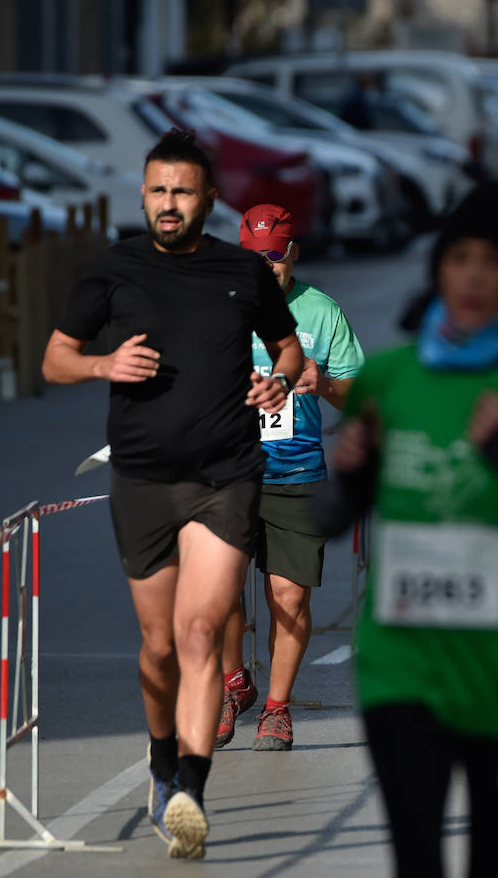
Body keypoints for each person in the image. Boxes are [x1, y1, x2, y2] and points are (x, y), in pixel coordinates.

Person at [314, 185, 498, 877]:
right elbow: (330, 522)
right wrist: (355, 481)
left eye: (491, 261)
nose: (474, 275)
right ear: (438, 271)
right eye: (459, 259)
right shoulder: (387, 380)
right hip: (405, 675)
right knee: (417, 864)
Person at [41, 128, 302, 859]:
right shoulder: (114, 268)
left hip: (226, 475)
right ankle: (163, 759)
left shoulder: (242, 273)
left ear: (208, 200)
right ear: (144, 194)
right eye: (157, 189)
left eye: (182, 191)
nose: (168, 203)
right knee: (157, 646)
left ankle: (189, 786)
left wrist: (277, 378)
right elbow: (55, 359)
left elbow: (288, 347)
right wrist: (103, 365)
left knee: (199, 634)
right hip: (143, 479)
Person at [214, 204, 364, 753]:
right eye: (255, 257)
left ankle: (277, 709)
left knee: (288, 598)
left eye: (275, 255)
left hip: (296, 475)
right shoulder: (220, 306)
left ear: (293, 254)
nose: (266, 265)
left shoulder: (321, 312)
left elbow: (359, 397)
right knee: (220, 591)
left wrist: (321, 382)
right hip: (226, 475)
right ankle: (235, 684)